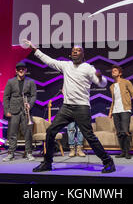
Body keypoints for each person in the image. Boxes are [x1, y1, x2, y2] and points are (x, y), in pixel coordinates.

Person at [23, 39, 115, 173]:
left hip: (82, 107)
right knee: (51, 131)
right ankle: (47, 162)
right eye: (73, 51)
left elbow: (102, 84)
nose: (75, 52)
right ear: (71, 55)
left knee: (89, 136)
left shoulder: (88, 68)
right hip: (67, 107)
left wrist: (100, 78)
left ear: (83, 55)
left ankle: (108, 162)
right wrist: (34, 49)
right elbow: (49, 60)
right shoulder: (66, 66)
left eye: (78, 51)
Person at [2, 61, 37, 162]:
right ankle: (11, 153)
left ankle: (29, 153)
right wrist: (7, 110)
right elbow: (6, 97)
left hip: (26, 111)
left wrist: (30, 104)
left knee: (28, 133)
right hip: (14, 111)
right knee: (12, 133)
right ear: (16, 71)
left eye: (23, 69)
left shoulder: (31, 82)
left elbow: (34, 95)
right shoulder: (10, 82)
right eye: (19, 69)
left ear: (26, 70)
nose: (21, 70)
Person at [108, 65, 133, 159]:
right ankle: (122, 152)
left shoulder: (126, 82)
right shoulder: (111, 86)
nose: (113, 72)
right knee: (119, 132)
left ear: (120, 73)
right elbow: (113, 100)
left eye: (115, 70)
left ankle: (127, 152)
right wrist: (111, 111)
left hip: (125, 110)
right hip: (116, 111)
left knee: (125, 131)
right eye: (112, 71)